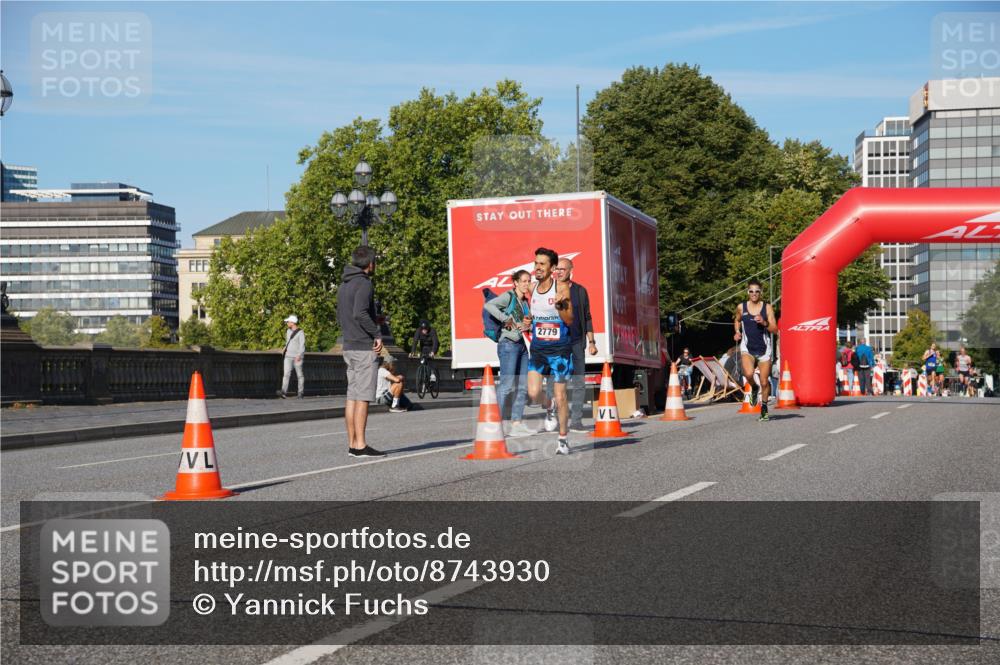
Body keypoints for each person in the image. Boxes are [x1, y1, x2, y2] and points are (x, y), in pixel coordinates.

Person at [337, 245, 387, 458]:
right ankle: (361, 445)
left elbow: (342, 315)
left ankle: (352, 444)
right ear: (370, 264)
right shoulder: (364, 283)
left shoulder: (343, 284)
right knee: (363, 398)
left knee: (352, 396)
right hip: (363, 347)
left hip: (348, 345)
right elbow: (360, 313)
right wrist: (376, 334)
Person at [526, 247, 574, 455]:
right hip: (538, 349)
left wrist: (562, 306)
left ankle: (562, 440)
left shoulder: (561, 288)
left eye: (542, 264)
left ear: (552, 268)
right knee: (534, 392)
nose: (537, 267)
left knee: (561, 395)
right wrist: (528, 321)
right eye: (536, 263)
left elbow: (569, 320)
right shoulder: (531, 288)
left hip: (559, 350)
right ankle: (549, 406)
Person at [484, 269, 534, 437]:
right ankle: (494, 425)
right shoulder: (508, 296)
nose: (527, 284)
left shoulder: (525, 302)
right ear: (516, 283)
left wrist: (528, 325)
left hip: (521, 345)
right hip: (508, 345)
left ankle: (516, 423)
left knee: (522, 386)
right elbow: (488, 305)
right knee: (506, 386)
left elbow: (526, 324)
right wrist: (505, 318)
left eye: (529, 281)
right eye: (524, 281)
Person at [553, 257, 597, 433]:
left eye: (563, 269)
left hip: (577, 341)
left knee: (579, 382)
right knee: (558, 383)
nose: (560, 272)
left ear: (571, 270)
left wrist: (592, 342)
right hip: (557, 344)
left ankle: (576, 421)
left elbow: (587, 317)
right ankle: (558, 420)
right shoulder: (549, 290)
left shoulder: (580, 291)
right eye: (558, 269)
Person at [733, 279, 778, 421]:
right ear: (747, 292)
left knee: (765, 382)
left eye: (756, 291)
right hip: (747, 347)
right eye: (751, 291)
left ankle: (764, 408)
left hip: (764, 349)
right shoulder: (741, 307)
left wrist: (764, 323)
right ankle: (754, 387)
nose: (754, 294)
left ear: (761, 293)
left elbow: (775, 329)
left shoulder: (767, 308)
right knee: (748, 373)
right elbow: (737, 320)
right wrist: (737, 331)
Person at [279, 315, 305, 398]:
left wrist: (299, 355)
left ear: (293, 323)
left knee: (299, 375)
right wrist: (284, 348)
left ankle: (300, 392)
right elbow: (288, 342)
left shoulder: (300, 332)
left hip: (297, 357)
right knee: (286, 374)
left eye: (288, 322)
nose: (287, 323)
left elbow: (302, 345)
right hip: (288, 356)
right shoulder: (288, 331)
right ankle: (283, 392)